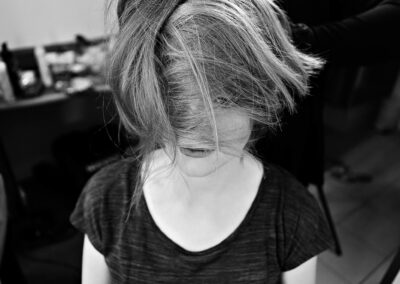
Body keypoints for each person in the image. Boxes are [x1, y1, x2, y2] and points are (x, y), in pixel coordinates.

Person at [69, 0, 334, 283]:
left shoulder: (293, 217)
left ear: (262, 96)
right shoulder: (105, 201)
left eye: (223, 97)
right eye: (172, 93)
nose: (197, 124)